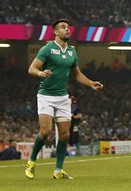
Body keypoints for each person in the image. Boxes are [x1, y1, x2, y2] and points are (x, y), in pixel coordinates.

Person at [25, 19, 104, 180]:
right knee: (46, 131)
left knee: (64, 135)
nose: (67, 29)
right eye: (63, 27)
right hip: (46, 95)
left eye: (68, 27)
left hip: (62, 97)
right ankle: (31, 162)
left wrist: (90, 83)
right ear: (55, 32)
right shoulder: (48, 48)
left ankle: (58, 170)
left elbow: (77, 74)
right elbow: (32, 68)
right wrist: (40, 73)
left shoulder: (72, 52)